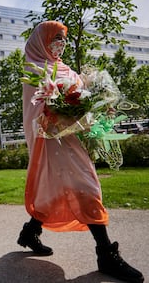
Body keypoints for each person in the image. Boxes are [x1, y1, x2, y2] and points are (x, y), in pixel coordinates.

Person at [17, 21, 144, 283]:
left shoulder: (69, 71)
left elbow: (83, 101)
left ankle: (30, 232)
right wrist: (69, 110)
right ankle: (106, 254)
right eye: (55, 39)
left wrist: (98, 110)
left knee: (54, 192)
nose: (60, 45)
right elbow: (38, 112)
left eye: (63, 40)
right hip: (52, 143)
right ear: (42, 41)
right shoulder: (35, 69)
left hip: (74, 141)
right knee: (87, 189)